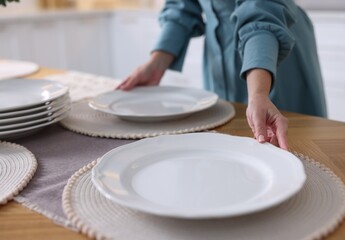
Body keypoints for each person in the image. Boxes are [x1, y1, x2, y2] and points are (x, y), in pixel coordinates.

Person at [117, 0, 327, 151]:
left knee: (286, 147)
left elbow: (262, 8)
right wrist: (156, 63)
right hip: (219, 52)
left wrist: (259, 93)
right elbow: (181, 6)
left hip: (271, 45)